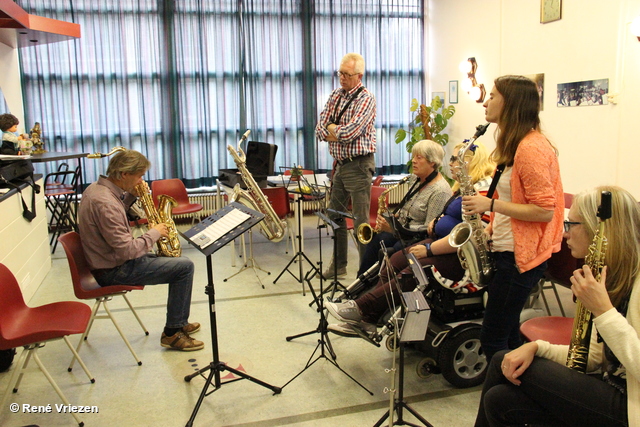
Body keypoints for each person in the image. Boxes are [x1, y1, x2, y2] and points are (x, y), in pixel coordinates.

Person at [474, 185, 640, 427]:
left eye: (572, 225)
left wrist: (604, 312)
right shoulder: (611, 275)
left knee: (501, 360)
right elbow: (594, 356)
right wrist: (537, 347)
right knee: (500, 400)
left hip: (631, 406)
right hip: (612, 388)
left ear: (600, 230)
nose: (565, 234)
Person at [327, 141, 494, 337]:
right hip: (439, 241)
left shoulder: (481, 190)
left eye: (456, 159)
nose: (451, 163)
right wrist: (436, 223)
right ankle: (369, 321)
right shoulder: (459, 187)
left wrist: (429, 249)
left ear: (472, 162)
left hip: (458, 256)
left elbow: (472, 236)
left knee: (411, 271)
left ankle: (361, 307)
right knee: (394, 260)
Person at [462, 75, 564, 362]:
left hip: (520, 257)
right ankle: (527, 392)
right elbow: (515, 199)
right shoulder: (515, 143)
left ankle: (505, 399)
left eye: (493, 96)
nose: (486, 101)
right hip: (506, 248)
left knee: (493, 339)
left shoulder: (531, 147)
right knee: (506, 334)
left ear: (511, 103)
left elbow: (545, 210)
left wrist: (490, 205)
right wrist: (491, 228)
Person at [77, 149, 204, 351]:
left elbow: (116, 221)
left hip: (108, 261)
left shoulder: (98, 189)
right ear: (124, 174)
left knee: (177, 264)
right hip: (113, 270)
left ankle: (179, 321)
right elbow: (127, 251)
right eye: (140, 176)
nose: (141, 181)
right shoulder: (106, 203)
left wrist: (129, 198)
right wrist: (154, 233)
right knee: (184, 267)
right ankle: (172, 332)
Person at [315, 52, 376, 279]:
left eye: (347, 74)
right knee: (335, 215)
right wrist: (333, 130)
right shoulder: (335, 95)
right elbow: (319, 128)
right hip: (340, 164)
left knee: (361, 221)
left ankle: (365, 272)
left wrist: (333, 129)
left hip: (359, 165)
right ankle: (339, 265)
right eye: (340, 73)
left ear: (359, 75)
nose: (342, 77)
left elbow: (350, 132)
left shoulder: (366, 98)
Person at [356, 139, 452, 277]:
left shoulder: (440, 191)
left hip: (416, 238)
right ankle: (361, 282)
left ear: (432, 162)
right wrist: (394, 218)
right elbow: (407, 207)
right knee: (375, 242)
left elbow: (429, 231)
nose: (413, 161)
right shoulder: (415, 178)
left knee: (391, 251)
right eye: (413, 157)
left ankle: (379, 286)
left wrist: (395, 229)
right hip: (403, 231)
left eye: (419, 158)